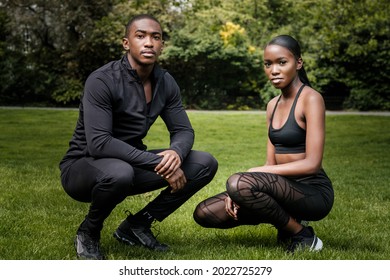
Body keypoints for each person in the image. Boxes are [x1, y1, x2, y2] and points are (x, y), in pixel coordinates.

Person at [59, 14, 218, 260]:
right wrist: (158, 163)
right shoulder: (102, 80)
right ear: (126, 43)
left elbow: (183, 130)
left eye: (156, 37)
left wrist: (175, 154)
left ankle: (138, 225)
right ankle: (88, 232)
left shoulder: (165, 82)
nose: (149, 43)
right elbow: (99, 143)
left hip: (131, 163)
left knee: (204, 163)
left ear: (162, 45)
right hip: (84, 166)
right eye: (140, 36)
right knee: (120, 172)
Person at [193, 35, 334, 253]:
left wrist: (252, 175)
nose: (274, 70)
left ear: (298, 63)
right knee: (204, 212)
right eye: (268, 64)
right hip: (280, 189)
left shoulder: (311, 98)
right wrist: (241, 192)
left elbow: (312, 164)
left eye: (281, 62)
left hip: (312, 192)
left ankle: (303, 236)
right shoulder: (272, 105)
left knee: (239, 182)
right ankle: (288, 225)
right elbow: (271, 162)